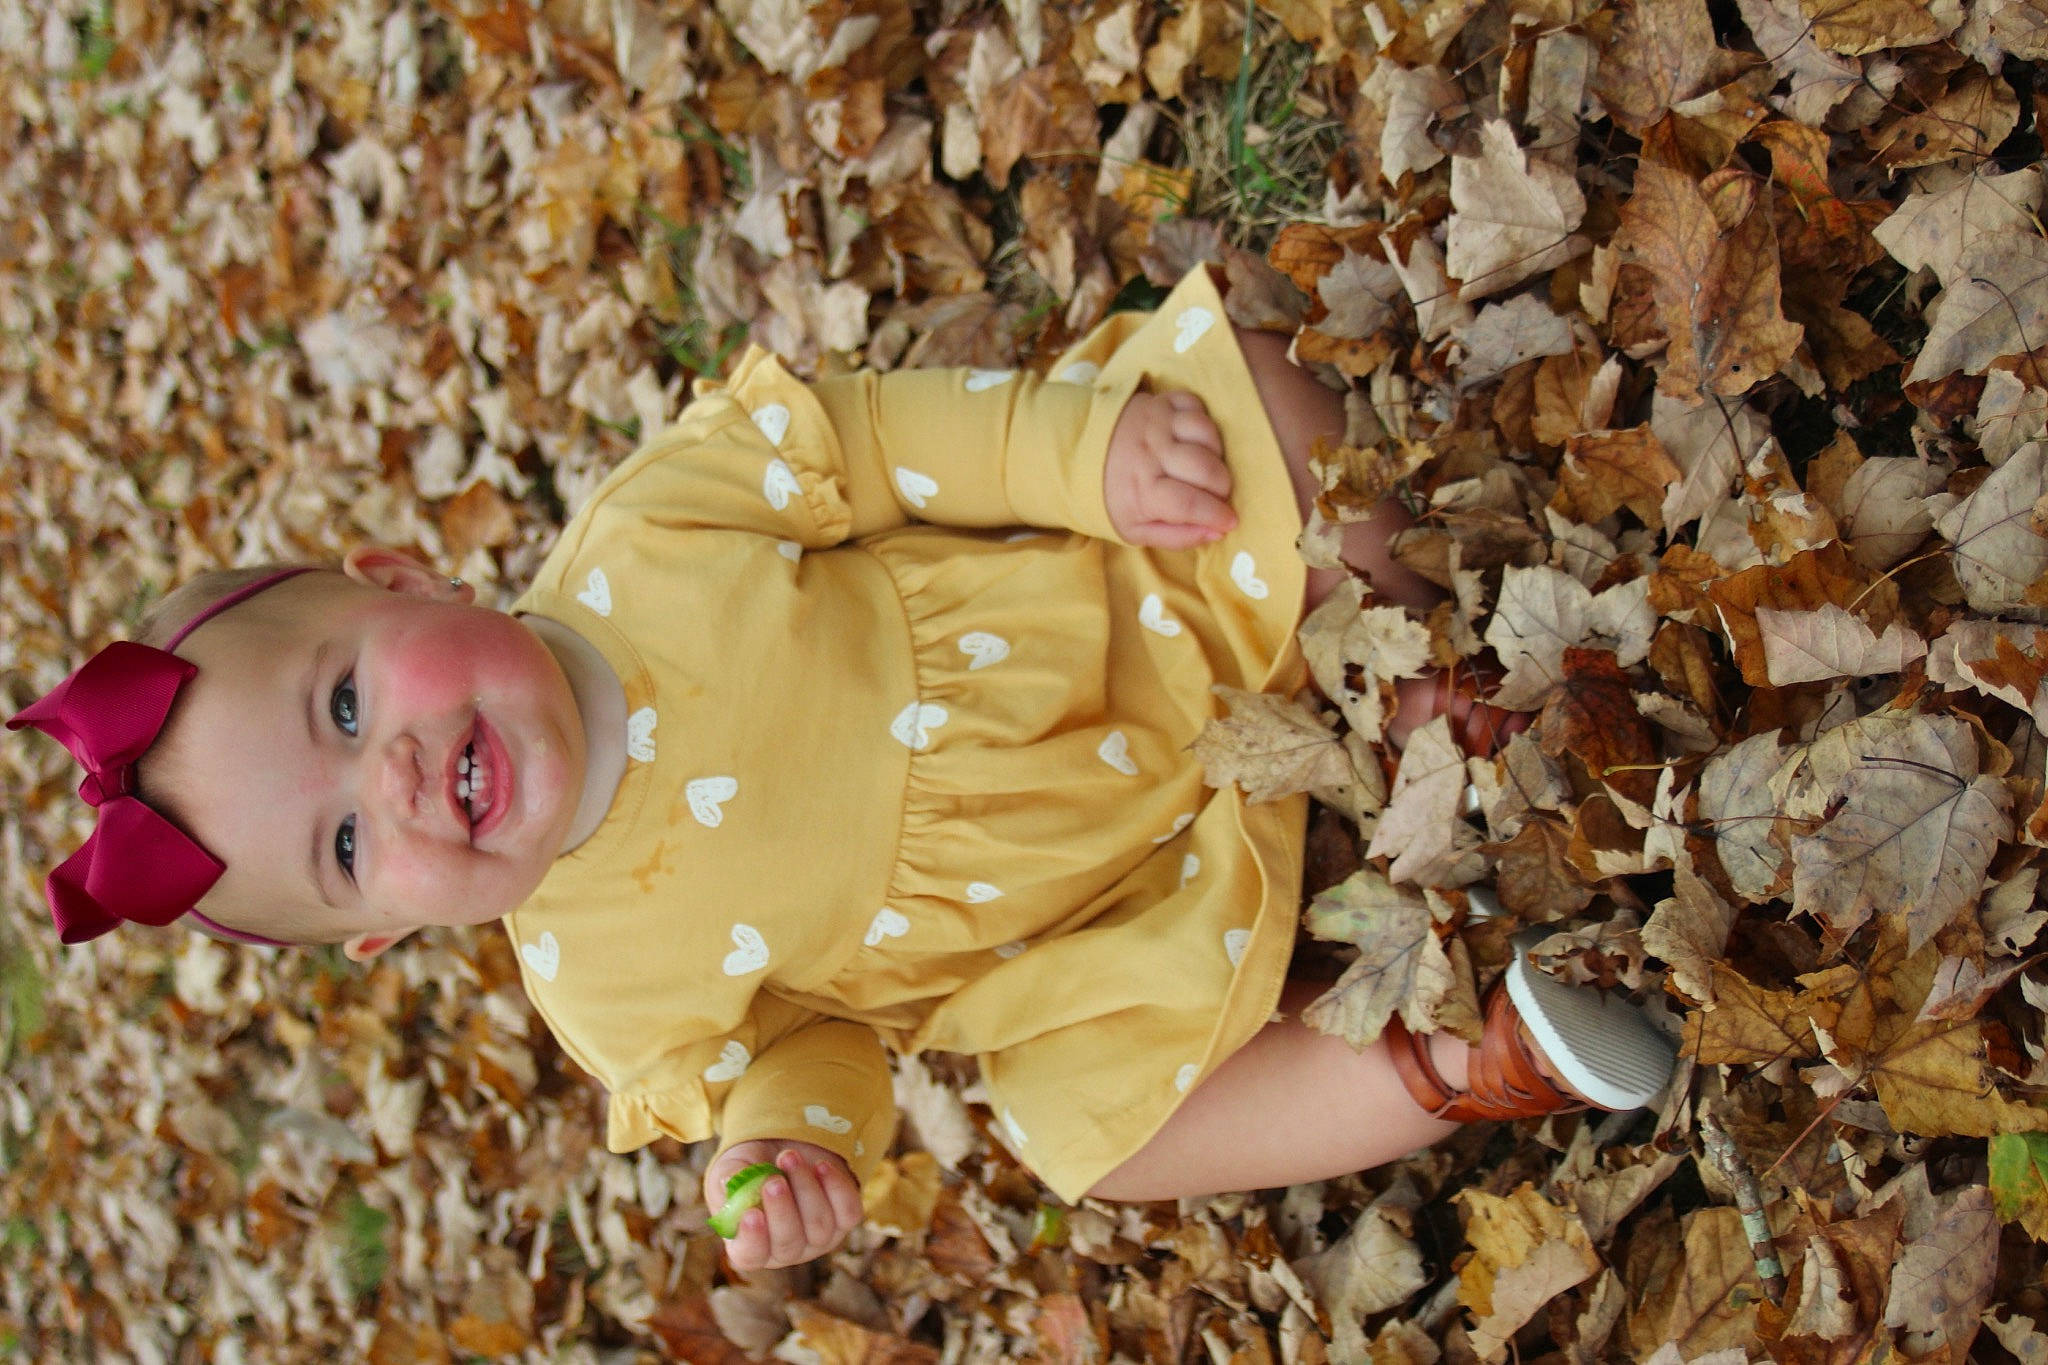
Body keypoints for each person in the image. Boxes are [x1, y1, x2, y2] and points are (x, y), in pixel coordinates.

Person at [8, 266, 1674, 1273]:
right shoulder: (607, 994)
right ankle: (1456, 1058)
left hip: (1124, 620)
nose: (397, 781)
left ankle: (1415, 655)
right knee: (1099, 1140)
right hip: (1082, 921)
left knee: (1223, 400)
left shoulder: (645, 535)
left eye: (349, 707)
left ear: (402, 576)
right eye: (350, 850)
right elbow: (814, 1050)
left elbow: (878, 445)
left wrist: (1073, 457)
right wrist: (787, 1149)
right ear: (383, 935)